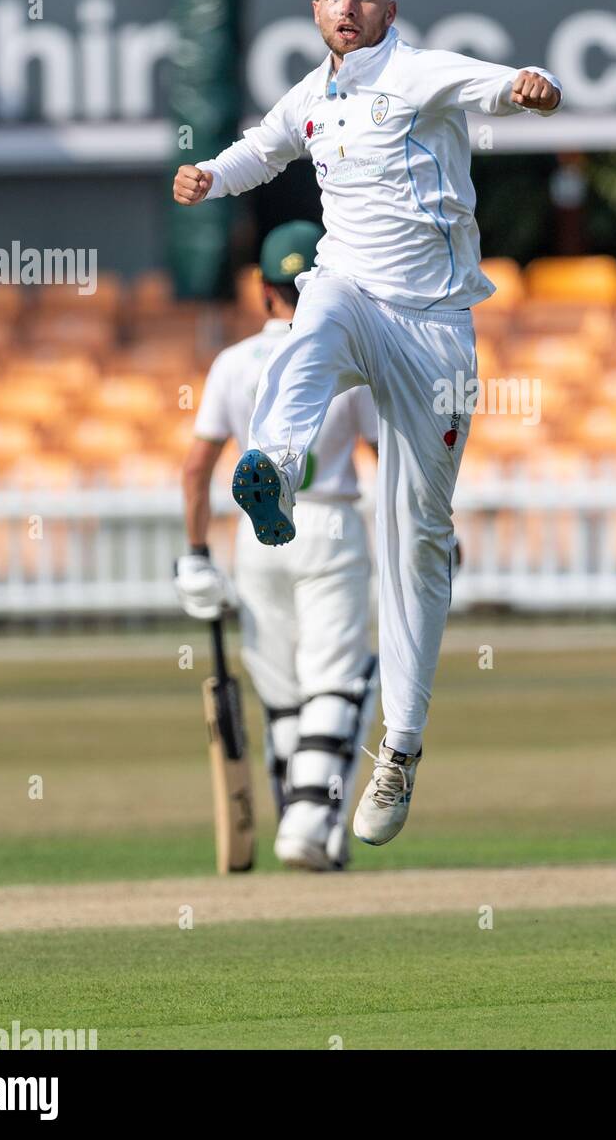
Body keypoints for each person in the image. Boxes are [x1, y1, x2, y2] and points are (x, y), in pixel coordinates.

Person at [173, 0, 561, 847]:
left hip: (434, 330)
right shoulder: (311, 97)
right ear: (314, 9)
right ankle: (272, 468)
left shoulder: (419, 72)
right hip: (350, 290)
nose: (350, 11)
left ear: (389, 5)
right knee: (308, 322)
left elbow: (495, 88)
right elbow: (257, 152)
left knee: (420, 537)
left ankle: (402, 746)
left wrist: (527, 89)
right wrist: (206, 177)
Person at [174, 220, 379, 871]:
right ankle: (308, 822)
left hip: (253, 540)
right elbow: (386, 456)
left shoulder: (232, 362)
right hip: (329, 523)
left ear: (263, 293)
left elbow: (195, 467)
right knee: (337, 681)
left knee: (284, 691)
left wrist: (194, 556)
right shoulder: (347, 359)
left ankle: (300, 811)